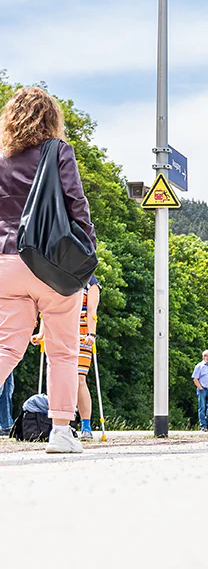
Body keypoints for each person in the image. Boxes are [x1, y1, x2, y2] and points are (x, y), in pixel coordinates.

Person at [0, 86, 96, 454]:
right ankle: (60, 432)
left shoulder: (3, 157)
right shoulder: (58, 152)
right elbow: (76, 202)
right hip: (52, 263)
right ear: (51, 118)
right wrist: (86, 246)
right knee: (62, 350)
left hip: (7, 261)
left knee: (7, 347)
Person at [75, 274, 100, 440]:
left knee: (79, 379)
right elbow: (49, 308)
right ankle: (61, 424)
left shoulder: (91, 283)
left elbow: (92, 310)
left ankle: (85, 425)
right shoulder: (58, 276)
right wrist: (41, 333)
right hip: (60, 333)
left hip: (82, 334)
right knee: (59, 379)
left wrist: (91, 333)